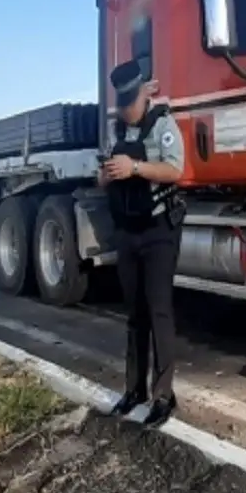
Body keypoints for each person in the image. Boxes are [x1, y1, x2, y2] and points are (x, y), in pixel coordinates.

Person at [98, 58, 186, 428]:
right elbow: (103, 178)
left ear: (143, 98)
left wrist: (134, 168)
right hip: (128, 230)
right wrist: (106, 176)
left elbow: (175, 170)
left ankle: (163, 395)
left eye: (129, 105)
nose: (126, 112)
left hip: (158, 231)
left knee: (158, 310)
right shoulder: (117, 129)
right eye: (121, 106)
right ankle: (133, 389)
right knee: (134, 314)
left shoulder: (164, 125)